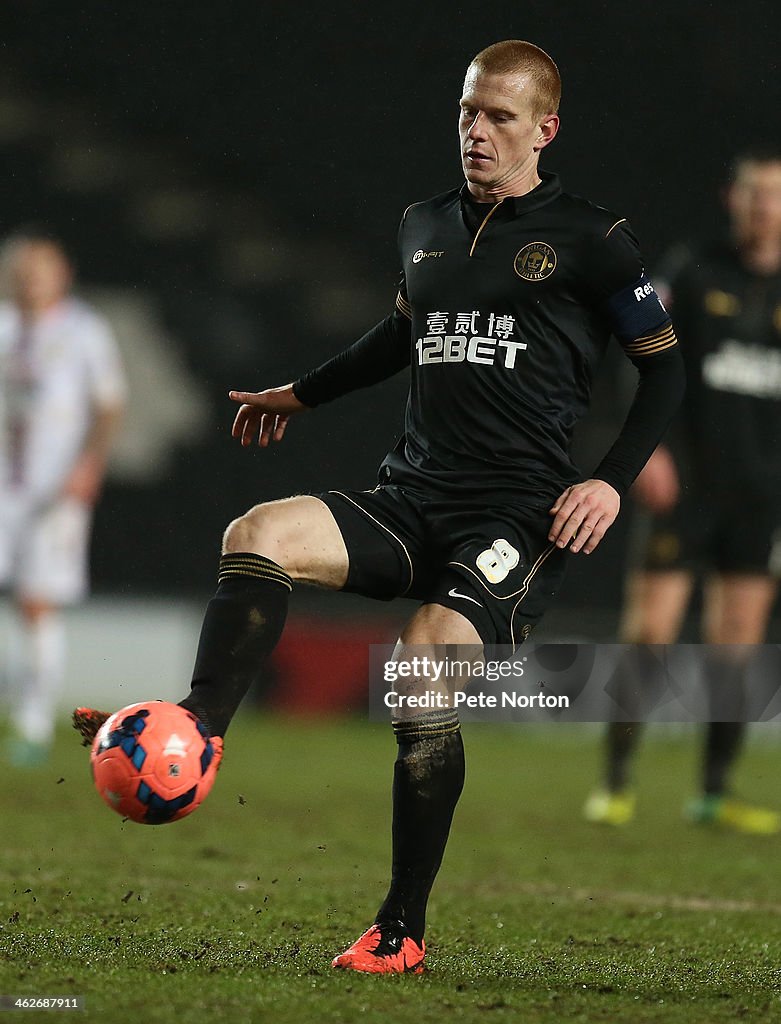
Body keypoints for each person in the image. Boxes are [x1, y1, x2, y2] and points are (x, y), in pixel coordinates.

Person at [74, 40, 684, 972]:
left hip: (516, 515)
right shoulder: (424, 223)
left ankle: (401, 928)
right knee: (259, 533)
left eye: (500, 118)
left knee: (422, 664)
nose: (476, 132)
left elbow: (664, 369)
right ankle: (196, 731)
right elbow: (399, 335)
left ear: (545, 130)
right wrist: (301, 394)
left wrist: (607, 478)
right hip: (411, 494)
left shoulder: (594, 239)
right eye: (467, 112)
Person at [584, 150, 781, 834]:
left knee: (736, 646)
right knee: (649, 637)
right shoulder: (691, 269)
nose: (763, 208)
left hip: (759, 498)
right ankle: (613, 781)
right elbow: (636, 358)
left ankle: (713, 792)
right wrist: (649, 451)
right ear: (732, 198)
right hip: (685, 487)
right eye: (753, 194)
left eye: (774, 196)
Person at [0, 231, 126, 765]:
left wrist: (88, 464)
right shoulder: (2, 326)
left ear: (62, 275)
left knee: (36, 600)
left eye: (41, 270)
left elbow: (109, 405)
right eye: (22, 271)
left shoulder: (83, 331)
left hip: (53, 488)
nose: (31, 281)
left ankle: (31, 721)